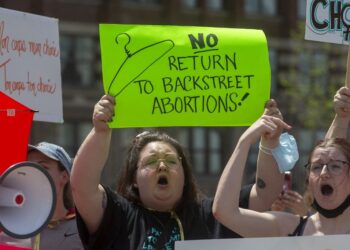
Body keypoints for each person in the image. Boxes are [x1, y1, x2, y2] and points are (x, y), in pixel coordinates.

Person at [70, 95, 286, 249]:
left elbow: (265, 194)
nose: (162, 166)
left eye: (172, 161)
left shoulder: (214, 214)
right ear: (134, 178)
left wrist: (269, 141)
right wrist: (100, 131)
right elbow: (82, 187)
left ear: (184, 176)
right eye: (151, 161)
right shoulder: (118, 217)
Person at [213, 86, 350, 237]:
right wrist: (244, 141)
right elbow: (225, 212)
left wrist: (342, 118)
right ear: (308, 182)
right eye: (316, 167)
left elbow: (335, 151)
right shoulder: (288, 228)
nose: (324, 173)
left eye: (335, 167)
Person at [27, 142, 83, 250]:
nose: (34, 173)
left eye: (43, 167)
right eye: (29, 167)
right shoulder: (13, 228)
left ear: (64, 177)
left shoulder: (83, 230)